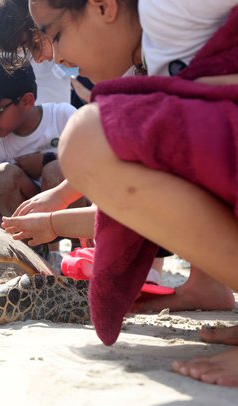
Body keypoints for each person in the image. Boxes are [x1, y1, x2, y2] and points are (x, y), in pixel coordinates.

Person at [27, 0, 238, 386]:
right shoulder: (152, 57)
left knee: (89, 138)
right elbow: (166, 209)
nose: (57, 57)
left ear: (104, 7)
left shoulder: (165, 8)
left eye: (55, 35)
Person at [0, 57, 76, 233]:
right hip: (30, 222)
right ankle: (28, 250)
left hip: (71, 215)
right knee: (3, 175)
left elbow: (94, 165)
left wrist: (47, 160)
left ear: (26, 101)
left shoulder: (63, 116)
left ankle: (80, 248)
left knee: (55, 170)